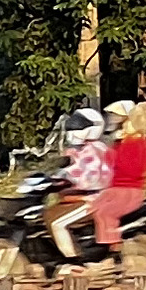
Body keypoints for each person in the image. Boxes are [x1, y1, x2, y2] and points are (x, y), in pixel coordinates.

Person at [43, 106, 109, 262]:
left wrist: (70, 180)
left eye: (79, 126)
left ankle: (74, 262)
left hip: (92, 201)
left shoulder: (97, 150)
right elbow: (63, 168)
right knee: (43, 216)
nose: (73, 130)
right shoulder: (73, 150)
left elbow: (95, 177)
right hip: (72, 200)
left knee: (57, 224)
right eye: (72, 126)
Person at [90, 101, 146, 254]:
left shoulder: (138, 144)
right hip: (113, 189)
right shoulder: (121, 143)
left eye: (124, 122)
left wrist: (111, 161)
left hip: (128, 190)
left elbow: (130, 168)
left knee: (104, 212)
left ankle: (112, 248)